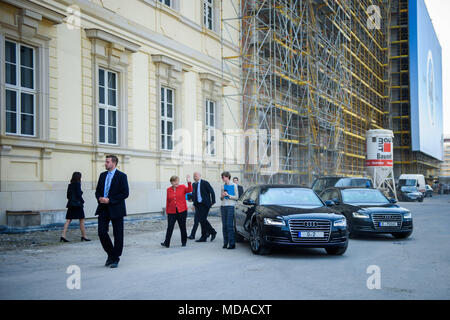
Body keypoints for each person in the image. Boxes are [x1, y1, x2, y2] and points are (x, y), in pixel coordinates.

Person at [95, 155, 129, 268]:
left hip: (116, 208)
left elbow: (125, 193)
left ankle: (115, 258)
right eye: (105, 161)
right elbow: (98, 191)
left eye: (107, 162)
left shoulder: (122, 176)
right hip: (103, 208)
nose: (105, 163)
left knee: (118, 234)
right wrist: (99, 198)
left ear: (113, 163)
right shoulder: (102, 175)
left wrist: (110, 200)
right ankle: (111, 254)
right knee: (101, 232)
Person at [161, 175, 192, 248]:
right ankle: (166, 243)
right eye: (175, 181)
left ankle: (184, 242)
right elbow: (168, 201)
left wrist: (188, 182)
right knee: (170, 227)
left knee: (182, 226)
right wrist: (167, 211)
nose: (176, 182)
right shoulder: (168, 189)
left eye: (177, 181)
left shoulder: (183, 187)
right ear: (171, 182)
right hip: (171, 212)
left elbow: (190, 190)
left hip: (182, 211)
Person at [60, 172, 90, 242]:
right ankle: (84, 236)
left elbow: (68, 196)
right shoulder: (78, 184)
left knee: (68, 220)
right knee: (82, 220)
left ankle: (63, 235)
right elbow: (79, 194)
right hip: (78, 205)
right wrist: (83, 201)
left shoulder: (70, 185)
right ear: (79, 177)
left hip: (71, 204)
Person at [191, 172, 217, 242]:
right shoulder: (194, 184)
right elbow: (194, 195)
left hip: (205, 204)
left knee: (202, 219)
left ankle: (212, 232)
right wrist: (193, 203)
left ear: (199, 176)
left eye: (195, 176)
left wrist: (213, 201)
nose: (194, 177)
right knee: (201, 220)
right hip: (198, 204)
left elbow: (212, 191)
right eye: (194, 176)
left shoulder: (205, 183)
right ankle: (204, 236)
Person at [220, 171, 239, 249]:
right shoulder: (222, 186)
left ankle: (232, 243)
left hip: (231, 206)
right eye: (222, 177)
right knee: (224, 225)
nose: (222, 178)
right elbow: (221, 198)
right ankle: (225, 242)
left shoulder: (234, 185)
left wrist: (229, 195)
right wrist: (222, 196)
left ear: (227, 177)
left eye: (223, 177)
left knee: (229, 225)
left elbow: (237, 197)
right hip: (223, 206)